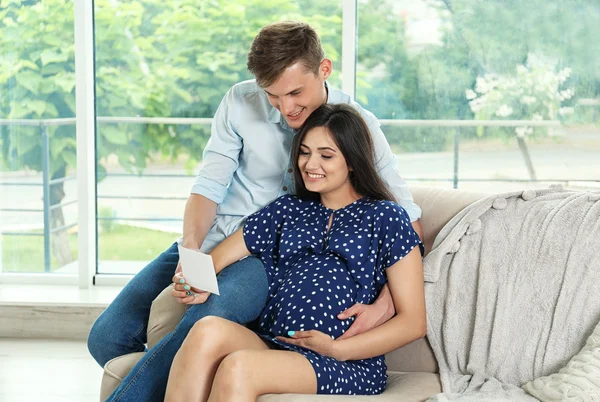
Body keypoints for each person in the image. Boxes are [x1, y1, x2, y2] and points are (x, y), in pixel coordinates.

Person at [88, 21, 423, 402]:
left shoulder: (359, 136)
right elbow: (209, 185)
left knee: (211, 318)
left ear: (324, 70)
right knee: (108, 337)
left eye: (296, 92)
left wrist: (385, 307)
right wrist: (193, 251)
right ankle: (171, 376)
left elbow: (409, 227)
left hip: (268, 264)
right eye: (274, 96)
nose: (286, 107)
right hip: (222, 240)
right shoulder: (244, 111)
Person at [165, 103, 426, 401]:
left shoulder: (385, 216)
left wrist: (337, 349)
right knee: (206, 329)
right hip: (275, 342)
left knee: (240, 367)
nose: (311, 165)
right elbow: (213, 262)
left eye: (326, 155)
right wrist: (194, 282)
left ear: (352, 161)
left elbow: (413, 322)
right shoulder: (287, 209)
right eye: (305, 152)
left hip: (344, 360)